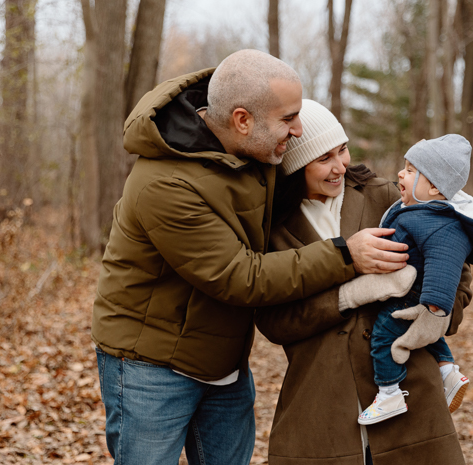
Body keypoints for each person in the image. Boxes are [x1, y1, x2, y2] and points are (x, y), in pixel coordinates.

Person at [91, 50, 411, 465]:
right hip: (150, 368)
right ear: (242, 120)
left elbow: (319, 175)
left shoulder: (256, 151)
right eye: (288, 118)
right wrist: (345, 254)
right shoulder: (165, 184)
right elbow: (240, 277)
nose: (298, 130)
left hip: (224, 360)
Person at [256, 100, 473, 465]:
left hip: (412, 402)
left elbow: (456, 264)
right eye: (324, 158)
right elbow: (274, 321)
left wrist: (437, 317)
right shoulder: (273, 230)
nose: (340, 165)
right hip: (320, 410)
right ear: (295, 166)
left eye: (342, 149)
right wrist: (347, 296)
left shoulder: (386, 197)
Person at [358, 135, 473, 425]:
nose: (401, 174)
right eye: (404, 167)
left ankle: (389, 393)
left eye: (411, 170)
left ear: (435, 187)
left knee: (383, 336)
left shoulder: (438, 223)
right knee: (427, 338)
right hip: (414, 291)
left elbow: (445, 265)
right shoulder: (420, 211)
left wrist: (435, 308)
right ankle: (448, 371)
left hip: (415, 297)